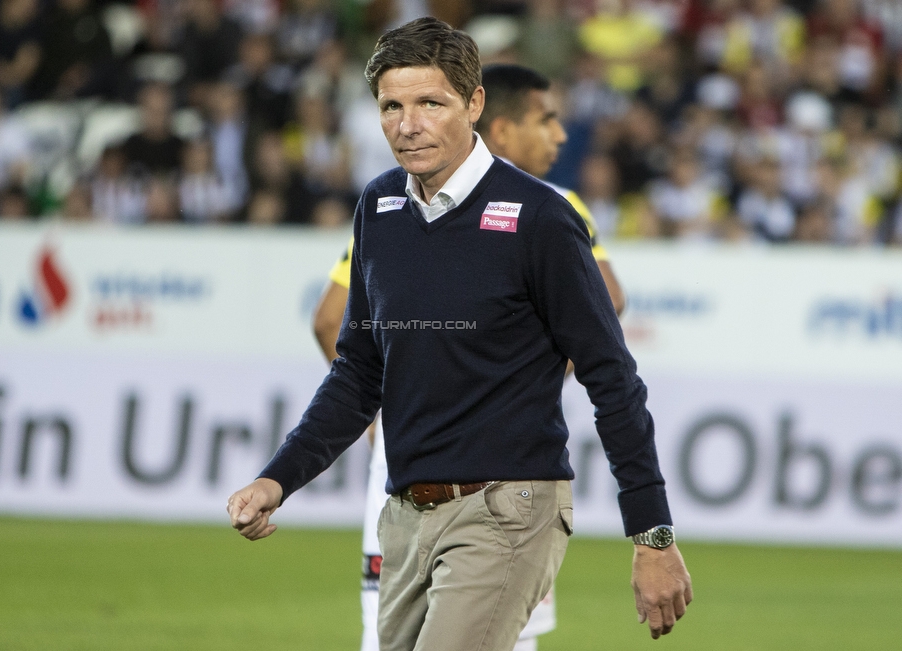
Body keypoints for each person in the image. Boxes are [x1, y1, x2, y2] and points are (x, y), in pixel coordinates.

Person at [229, 17, 691, 651]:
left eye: (430, 103)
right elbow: (360, 372)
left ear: (474, 104)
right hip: (404, 516)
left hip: (507, 511)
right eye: (391, 105)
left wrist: (653, 536)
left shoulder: (541, 217)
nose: (408, 123)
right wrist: (276, 479)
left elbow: (612, 378)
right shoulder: (379, 207)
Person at [311, 62, 627, 651]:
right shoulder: (557, 205)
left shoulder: (397, 201)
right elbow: (609, 301)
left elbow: (330, 319)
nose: (560, 135)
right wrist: (510, 382)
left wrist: (391, 402)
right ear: (498, 126)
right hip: (499, 463)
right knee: (510, 636)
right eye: (546, 119)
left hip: (410, 452)